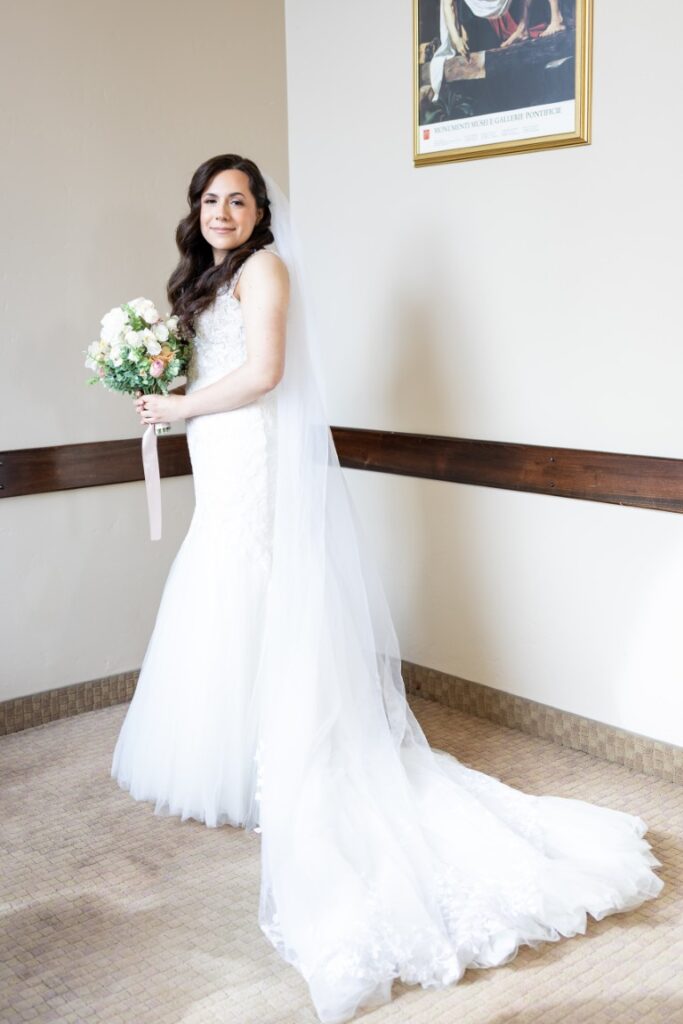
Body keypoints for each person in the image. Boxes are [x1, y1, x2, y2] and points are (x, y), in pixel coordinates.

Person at [111, 154, 663, 1024]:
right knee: (220, 580)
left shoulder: (265, 268)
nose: (222, 211)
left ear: (261, 212)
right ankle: (236, 758)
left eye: (238, 199)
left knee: (253, 579)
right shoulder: (206, 276)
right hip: (216, 452)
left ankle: (283, 752)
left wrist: (177, 409)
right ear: (198, 211)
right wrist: (156, 386)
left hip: (244, 444)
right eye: (210, 200)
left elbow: (263, 376)